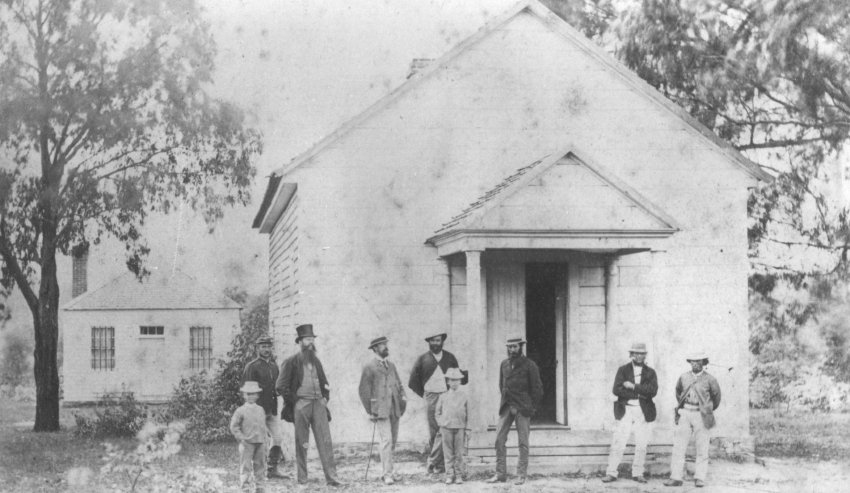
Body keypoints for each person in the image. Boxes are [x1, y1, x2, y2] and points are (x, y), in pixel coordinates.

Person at [275, 324, 343, 487]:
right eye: (307, 339)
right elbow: (280, 386)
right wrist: (295, 402)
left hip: (318, 404)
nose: (310, 342)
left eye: (312, 339)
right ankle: (303, 479)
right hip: (301, 405)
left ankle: (332, 478)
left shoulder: (316, 361)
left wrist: (325, 398)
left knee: (325, 441)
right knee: (302, 442)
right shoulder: (291, 362)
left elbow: (325, 383)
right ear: (300, 342)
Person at [486, 336, 543, 485]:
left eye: (515, 347)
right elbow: (502, 385)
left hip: (522, 408)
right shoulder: (504, 364)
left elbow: (537, 389)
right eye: (509, 347)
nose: (512, 350)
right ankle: (500, 474)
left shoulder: (530, 365)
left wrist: (531, 407)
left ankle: (521, 474)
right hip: (506, 406)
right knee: (499, 440)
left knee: (523, 442)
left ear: (521, 347)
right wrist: (507, 399)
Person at [407, 332, 465, 474]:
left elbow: (457, 376)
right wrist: (426, 395)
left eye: (438, 340)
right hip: (431, 397)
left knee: (446, 429)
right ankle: (438, 465)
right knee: (435, 430)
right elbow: (413, 381)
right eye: (432, 341)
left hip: (447, 396)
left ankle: (439, 462)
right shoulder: (422, 359)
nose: (435, 343)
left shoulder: (450, 358)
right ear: (429, 343)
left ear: (442, 342)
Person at [601, 342, 658, 484]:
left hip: (643, 411)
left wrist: (633, 386)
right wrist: (639, 392)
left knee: (641, 443)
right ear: (632, 354)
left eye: (642, 353)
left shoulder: (651, 372)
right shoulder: (623, 370)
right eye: (636, 353)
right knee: (619, 441)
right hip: (625, 409)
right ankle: (611, 472)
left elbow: (652, 391)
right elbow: (617, 389)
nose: (639, 356)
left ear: (645, 355)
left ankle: (638, 472)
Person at [664, 351, 721, 488]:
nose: (695, 364)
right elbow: (678, 392)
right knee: (679, 446)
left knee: (702, 447)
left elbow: (716, 398)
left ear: (703, 363)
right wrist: (684, 408)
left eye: (698, 361)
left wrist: (706, 409)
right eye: (693, 361)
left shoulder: (710, 379)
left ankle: (700, 477)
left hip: (701, 415)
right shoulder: (684, 377)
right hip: (685, 413)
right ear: (690, 362)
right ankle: (676, 477)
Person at [358, 336, 407, 485]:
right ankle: (387, 475)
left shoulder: (391, 366)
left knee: (392, 441)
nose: (386, 347)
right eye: (382, 345)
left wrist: (403, 398)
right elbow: (363, 390)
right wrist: (371, 410)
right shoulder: (369, 367)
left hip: (395, 408)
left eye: (386, 344)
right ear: (374, 349)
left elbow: (399, 383)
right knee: (386, 441)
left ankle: (390, 470)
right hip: (380, 410)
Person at [241, 335, 289, 479]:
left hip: (272, 409)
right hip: (257, 410)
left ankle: (272, 469)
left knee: (278, 438)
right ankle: (253, 472)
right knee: (257, 441)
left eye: (268, 346)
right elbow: (246, 389)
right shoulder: (252, 366)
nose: (266, 349)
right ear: (257, 348)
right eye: (263, 347)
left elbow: (278, 386)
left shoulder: (274, 366)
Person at [230, 381, 268, 493]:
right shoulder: (240, 410)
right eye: (248, 394)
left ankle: (260, 488)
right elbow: (234, 426)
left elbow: (263, 426)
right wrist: (241, 438)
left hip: (260, 442)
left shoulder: (261, 409)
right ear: (244, 395)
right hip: (247, 443)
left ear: (257, 395)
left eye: (253, 394)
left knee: (260, 466)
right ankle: (245, 488)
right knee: (245, 466)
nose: (251, 396)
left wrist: (265, 440)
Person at [435, 367, 468, 485]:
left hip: (459, 427)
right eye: (452, 380)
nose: (454, 382)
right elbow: (437, 412)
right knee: (448, 453)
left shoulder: (464, 396)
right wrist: (441, 422)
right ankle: (449, 475)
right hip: (446, 428)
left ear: (460, 381)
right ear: (448, 381)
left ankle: (459, 475)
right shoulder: (443, 396)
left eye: (457, 380)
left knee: (459, 453)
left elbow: (468, 413)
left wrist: (467, 429)